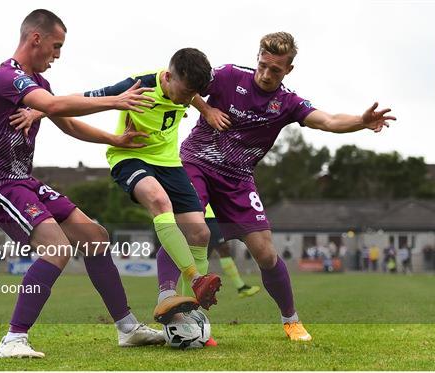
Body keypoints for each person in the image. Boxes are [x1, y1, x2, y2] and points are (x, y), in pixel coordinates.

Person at [158, 31, 396, 341]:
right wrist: (207, 109)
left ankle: (291, 320)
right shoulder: (229, 76)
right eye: (263, 65)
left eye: (276, 70)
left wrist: (360, 121)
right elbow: (186, 84)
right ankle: (166, 298)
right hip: (197, 162)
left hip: (238, 179)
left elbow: (327, 120)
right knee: (188, 226)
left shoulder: (286, 102)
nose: (266, 74)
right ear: (257, 58)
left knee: (266, 252)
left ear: (288, 70)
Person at [0, 9, 164, 358]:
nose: (57, 56)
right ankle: (13, 340)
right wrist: (114, 101)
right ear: (36, 39)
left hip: (22, 180)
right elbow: (55, 105)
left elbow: (66, 121)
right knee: (57, 249)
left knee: (95, 236)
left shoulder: (37, 83)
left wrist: (114, 139)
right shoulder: (5, 76)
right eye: (56, 47)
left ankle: (127, 328)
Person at [82, 48, 222, 325]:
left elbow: (192, 94)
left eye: (191, 95)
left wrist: (206, 109)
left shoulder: (186, 88)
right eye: (183, 93)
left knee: (200, 233)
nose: (186, 100)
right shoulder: (135, 86)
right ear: (168, 77)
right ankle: (196, 279)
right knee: (159, 201)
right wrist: (43, 108)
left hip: (170, 163)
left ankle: (192, 317)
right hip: (129, 155)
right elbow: (83, 99)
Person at [204, 204, 261, 298]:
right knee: (221, 248)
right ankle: (240, 287)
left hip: (212, 214)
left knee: (209, 252)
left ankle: (240, 287)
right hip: (203, 214)